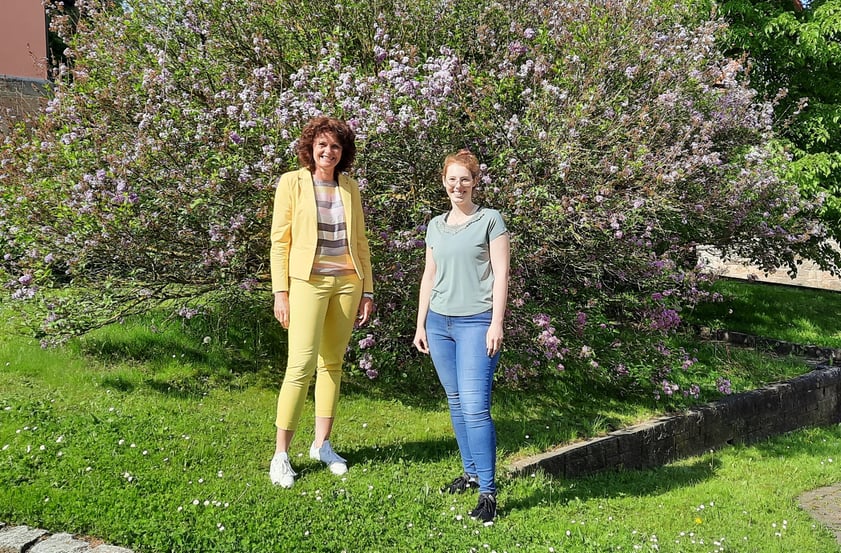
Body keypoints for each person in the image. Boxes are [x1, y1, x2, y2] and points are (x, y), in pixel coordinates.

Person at [268, 116, 374, 488]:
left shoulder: (350, 188)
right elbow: (280, 241)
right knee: (299, 366)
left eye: (335, 147)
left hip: (348, 282)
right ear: (310, 149)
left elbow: (360, 241)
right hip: (306, 283)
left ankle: (322, 445)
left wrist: (368, 290)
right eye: (322, 145)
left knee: (333, 364)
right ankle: (281, 455)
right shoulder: (291, 183)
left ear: (343, 154)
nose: (328, 152)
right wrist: (280, 292)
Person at [412, 149, 510, 523]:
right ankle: (470, 474)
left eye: (464, 179)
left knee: (475, 407)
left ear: (475, 182)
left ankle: (488, 493)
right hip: (440, 325)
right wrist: (421, 324)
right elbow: (429, 275)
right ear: (443, 182)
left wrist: (495, 323)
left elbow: (501, 275)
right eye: (452, 179)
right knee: (455, 401)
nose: (458, 185)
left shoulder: (490, 221)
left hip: (476, 324)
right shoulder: (435, 225)